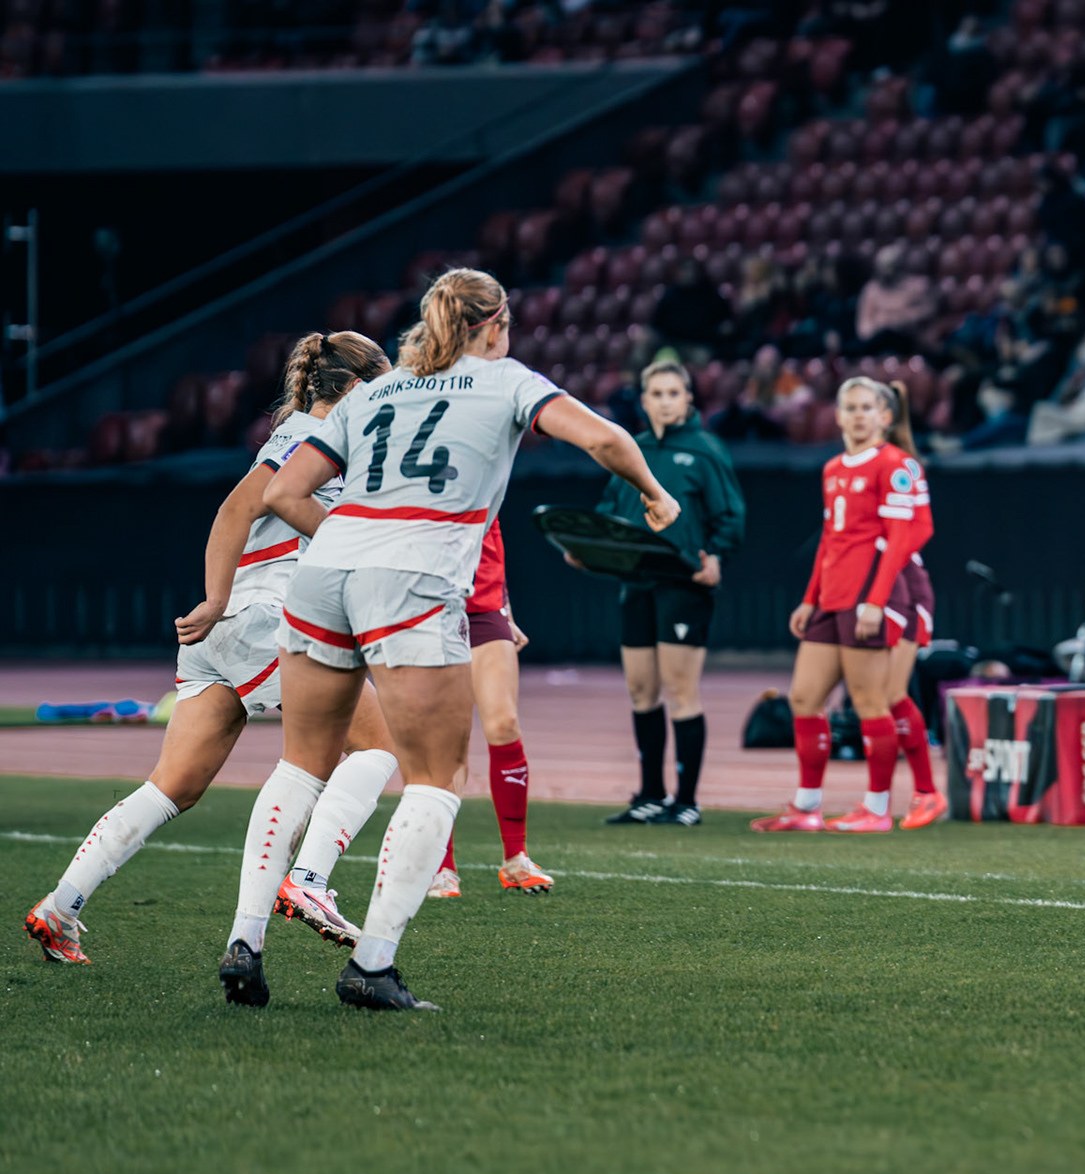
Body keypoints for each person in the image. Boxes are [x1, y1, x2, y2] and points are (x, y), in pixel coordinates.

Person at [239, 267, 677, 1011]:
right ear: (493, 324)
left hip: (323, 575)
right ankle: (372, 967)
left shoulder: (375, 389)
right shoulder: (503, 379)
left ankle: (243, 943)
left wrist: (349, 540)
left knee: (300, 768)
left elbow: (282, 493)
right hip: (410, 578)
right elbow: (603, 438)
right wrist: (654, 493)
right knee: (435, 776)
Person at [22, 333, 402, 964]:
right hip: (265, 618)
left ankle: (61, 907)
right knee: (380, 743)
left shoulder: (308, 435)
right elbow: (233, 510)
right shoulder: (315, 436)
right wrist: (217, 599)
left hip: (226, 635)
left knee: (172, 786)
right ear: (358, 388)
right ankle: (307, 882)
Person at [751, 377, 933, 833]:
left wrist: (875, 601)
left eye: (866, 407)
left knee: (873, 702)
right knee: (803, 699)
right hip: (831, 596)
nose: (856, 414)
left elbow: (900, 541)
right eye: (849, 407)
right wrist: (809, 598)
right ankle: (807, 806)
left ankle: (877, 809)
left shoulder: (895, 464)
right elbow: (831, 539)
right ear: (836, 414)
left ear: (884, 416)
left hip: (868, 596)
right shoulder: (832, 468)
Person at [601, 360, 746, 827]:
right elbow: (608, 511)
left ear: (688, 400)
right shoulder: (631, 450)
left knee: (681, 690)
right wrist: (585, 548)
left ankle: (686, 801)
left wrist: (717, 556)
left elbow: (731, 516)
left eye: (673, 393)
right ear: (643, 401)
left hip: (684, 584)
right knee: (641, 689)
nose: (664, 401)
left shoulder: (706, 451)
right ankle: (649, 794)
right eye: (656, 393)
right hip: (636, 583)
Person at [420, 517, 552, 898]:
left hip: (484, 607)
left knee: (504, 723)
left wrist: (506, 610)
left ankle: (516, 859)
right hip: (430, 608)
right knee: (447, 737)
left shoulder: (488, 465)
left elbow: (491, 537)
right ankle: (441, 866)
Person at [877, 381, 946, 828]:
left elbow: (913, 534)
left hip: (902, 587)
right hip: (874, 587)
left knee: (887, 695)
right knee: (876, 696)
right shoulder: (852, 466)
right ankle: (898, 795)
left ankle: (923, 792)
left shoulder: (898, 466)